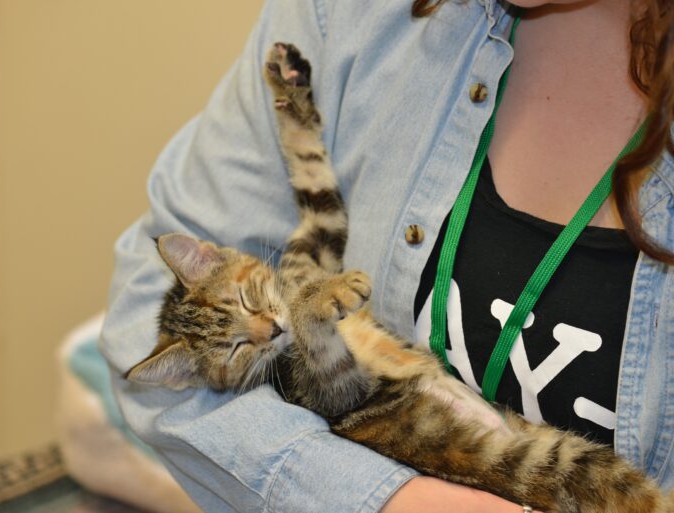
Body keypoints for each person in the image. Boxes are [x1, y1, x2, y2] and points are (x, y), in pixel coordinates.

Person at [99, 0, 674, 511]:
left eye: (247, 304)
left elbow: (319, 211)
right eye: (238, 340)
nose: (261, 326)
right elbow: (136, 314)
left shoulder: (288, 285)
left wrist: (298, 121)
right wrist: (384, 498)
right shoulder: (343, 14)